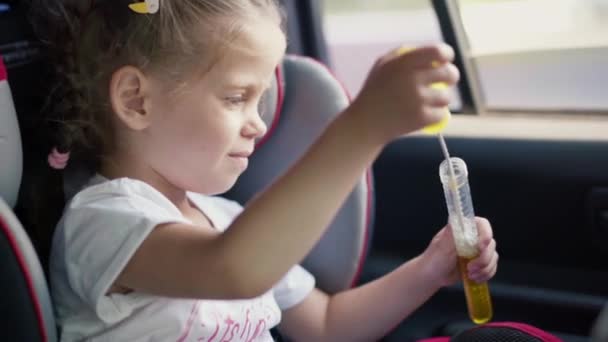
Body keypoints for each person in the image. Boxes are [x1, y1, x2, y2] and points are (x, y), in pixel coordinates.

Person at [35, 0, 499, 341]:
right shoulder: (102, 222)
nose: (257, 123)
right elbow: (234, 270)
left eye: (260, 101)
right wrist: (363, 127)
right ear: (137, 100)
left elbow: (327, 326)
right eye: (237, 98)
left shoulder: (228, 220)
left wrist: (428, 271)